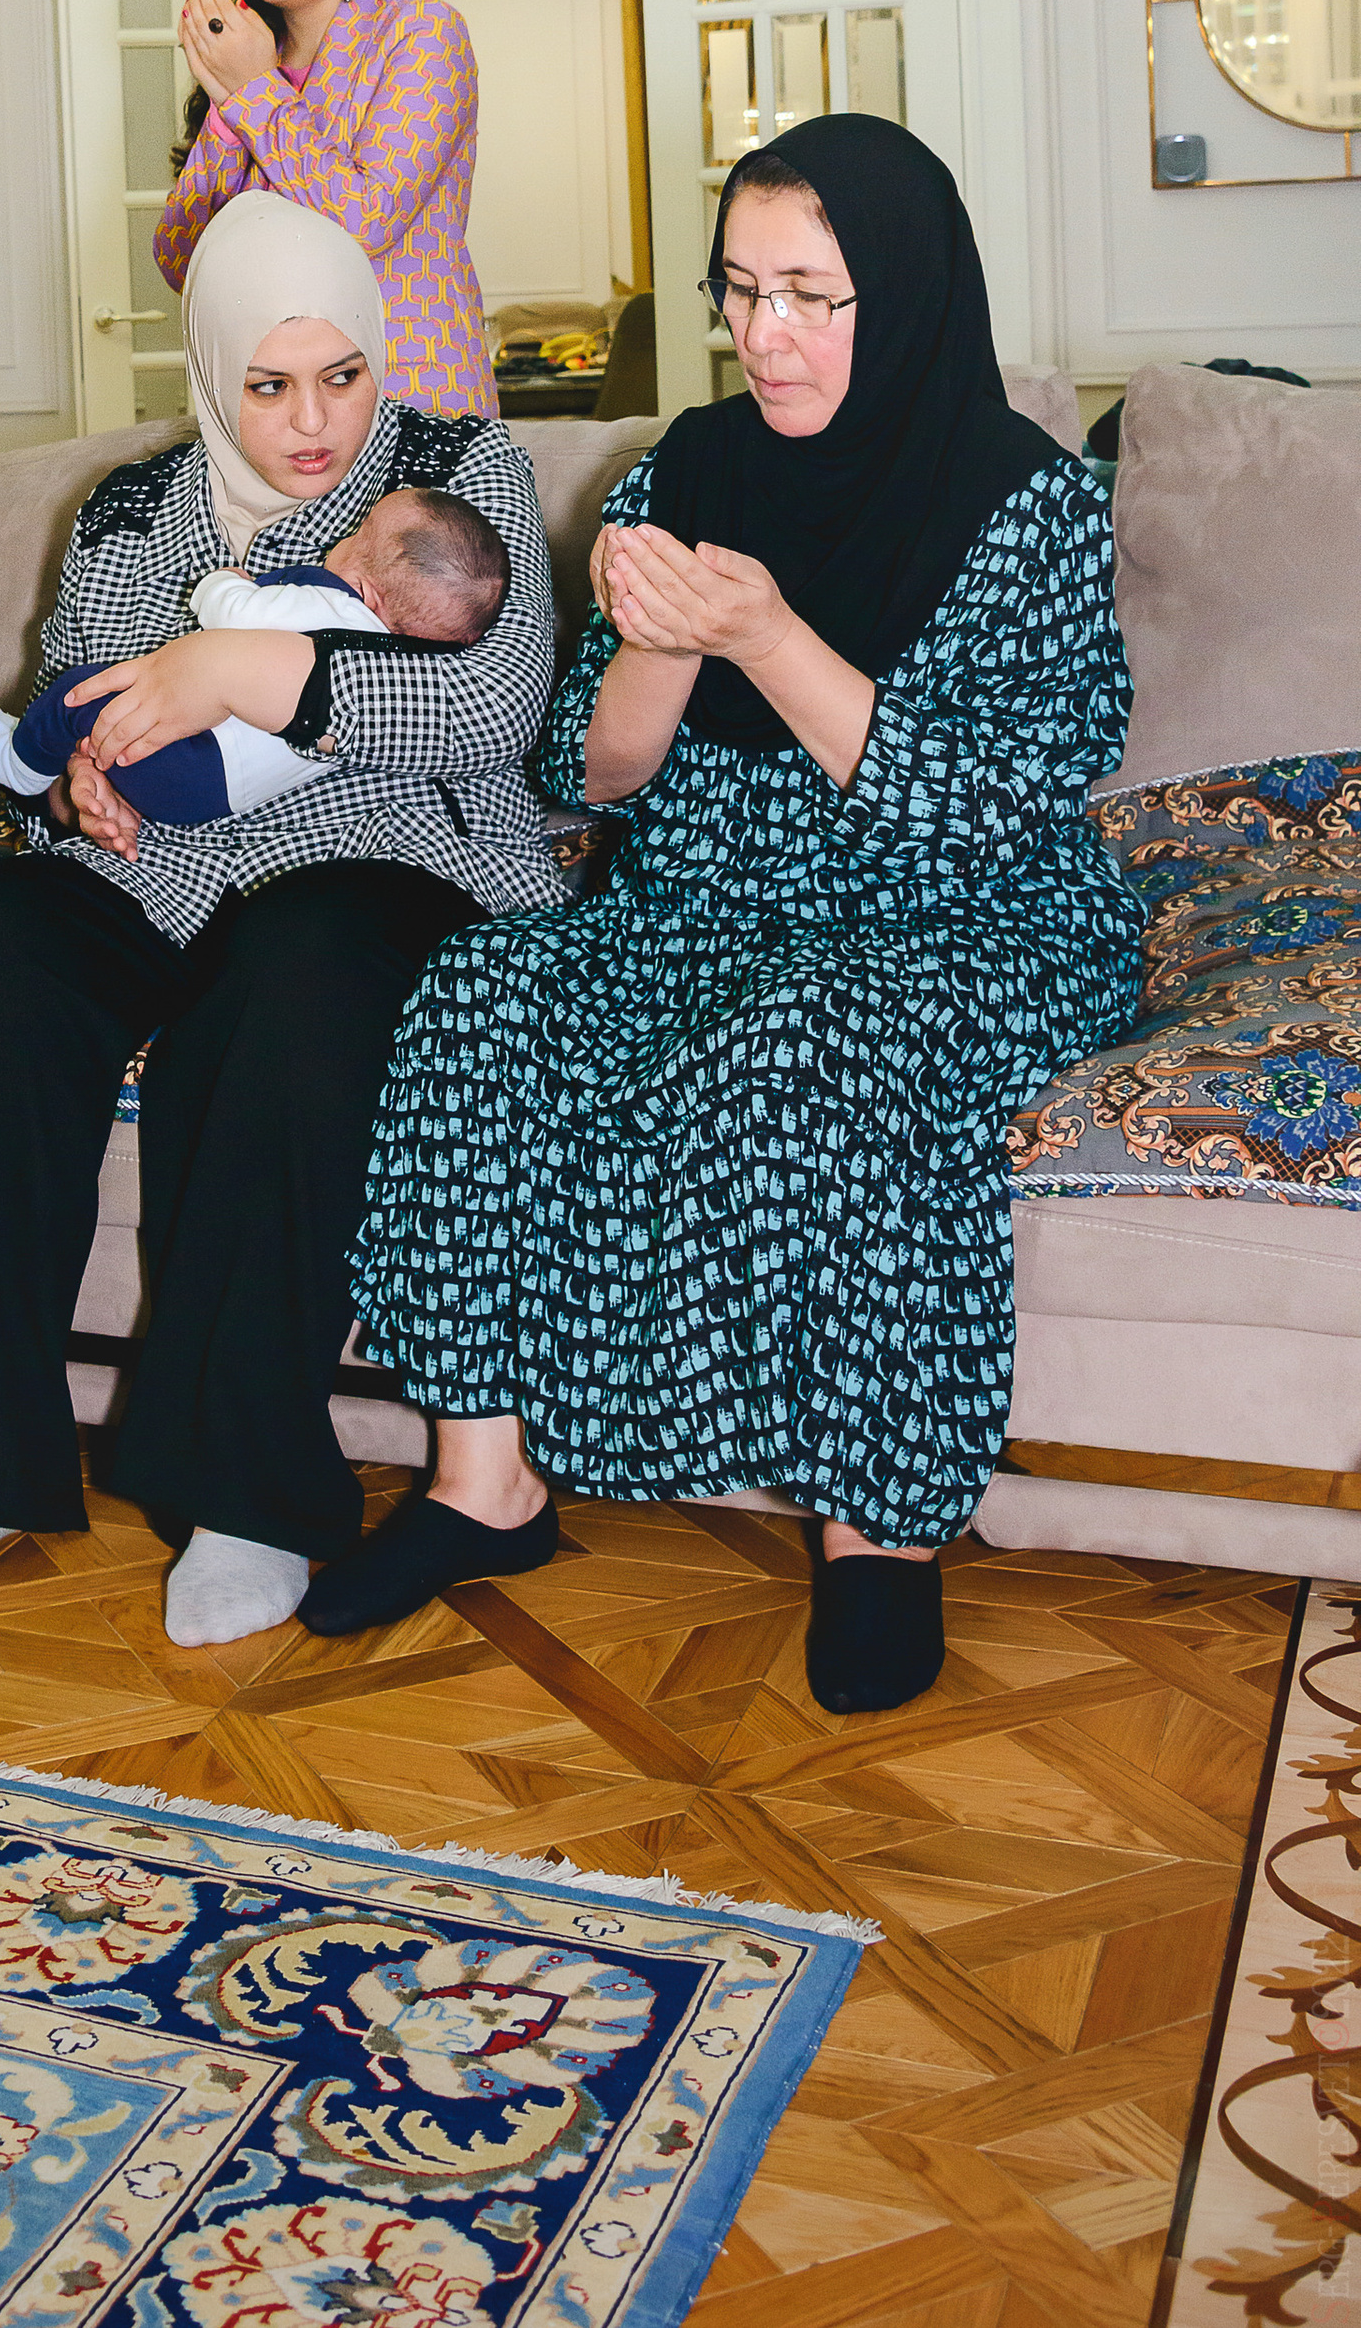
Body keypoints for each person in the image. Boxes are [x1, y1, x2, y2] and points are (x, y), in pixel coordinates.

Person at [323, 117, 1144, 1715]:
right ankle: (482, 1481)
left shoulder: (1027, 504)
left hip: (957, 906)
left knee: (826, 1043)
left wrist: (768, 634)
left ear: (900, 296)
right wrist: (664, 644)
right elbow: (590, 771)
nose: (766, 331)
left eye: (811, 294)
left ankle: (876, 1532)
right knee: (484, 993)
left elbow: (976, 805)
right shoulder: (680, 469)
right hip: (701, 892)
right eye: (742, 288)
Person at [0, 191, 560, 1647]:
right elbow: (81, 699)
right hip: (165, 866)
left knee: (289, 993)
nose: (312, 422)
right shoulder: (131, 506)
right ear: (214, 370)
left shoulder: (460, 465)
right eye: (269, 382)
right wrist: (77, 796)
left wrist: (251, 672)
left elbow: (501, 700)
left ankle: (245, 1491)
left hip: (387, 856)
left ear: (380, 355)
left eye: (341, 375)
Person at [155, 0, 490, 416]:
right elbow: (182, 261)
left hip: (411, 395)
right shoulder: (249, 55)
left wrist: (253, 91)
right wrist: (232, 95)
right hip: (274, 416)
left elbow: (366, 221)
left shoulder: (422, 33)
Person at [0, 488, 510, 827]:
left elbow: (231, 617)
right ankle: (74, 773)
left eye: (356, 539)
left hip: (188, 760)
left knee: (81, 691)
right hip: (211, 799)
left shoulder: (327, 604)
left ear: (367, 592)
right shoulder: (402, 670)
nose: (341, 542)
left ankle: (14, 765)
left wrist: (222, 582)